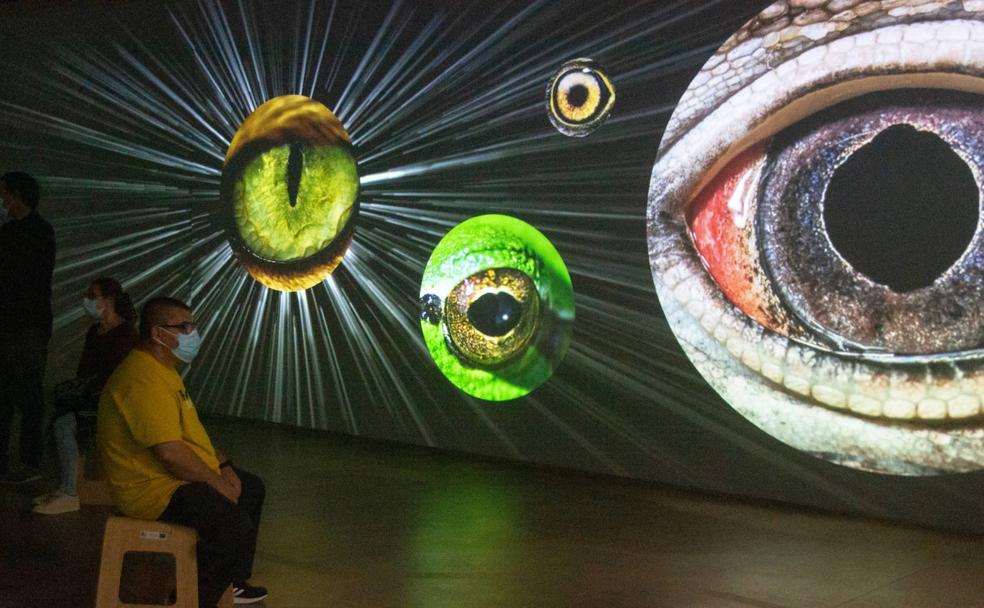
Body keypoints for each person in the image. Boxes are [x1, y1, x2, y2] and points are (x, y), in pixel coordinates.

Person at [98, 296, 268, 607]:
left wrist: (224, 466)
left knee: (251, 488)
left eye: (193, 326)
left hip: (172, 478)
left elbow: (192, 434)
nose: (193, 334)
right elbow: (170, 454)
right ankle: (194, 598)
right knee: (233, 525)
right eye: (185, 327)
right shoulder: (142, 379)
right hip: (152, 490)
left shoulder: (165, 370)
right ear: (158, 333)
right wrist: (215, 482)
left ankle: (231, 581)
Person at [33, 278, 138, 514]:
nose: (87, 301)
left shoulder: (126, 334)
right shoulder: (95, 331)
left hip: (111, 404)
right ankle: (61, 486)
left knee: (63, 424)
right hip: (91, 398)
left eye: (92, 296)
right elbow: (85, 370)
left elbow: (116, 378)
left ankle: (69, 492)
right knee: (52, 418)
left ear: (108, 300)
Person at [0, 172, 55, 484]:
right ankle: (14, 463)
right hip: (15, 326)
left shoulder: (38, 232)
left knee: (28, 394)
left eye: (4, 194)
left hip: (26, 327)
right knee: (7, 396)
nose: (2, 200)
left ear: (17, 195)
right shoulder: (13, 231)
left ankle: (29, 463)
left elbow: (23, 280)